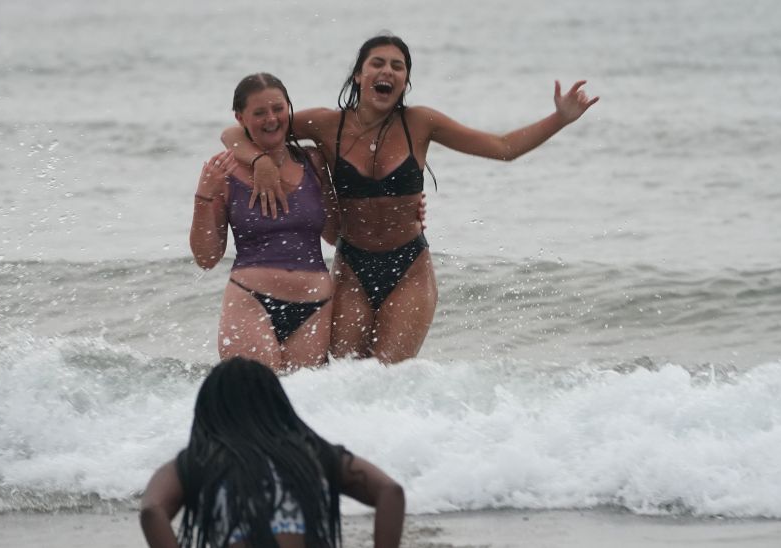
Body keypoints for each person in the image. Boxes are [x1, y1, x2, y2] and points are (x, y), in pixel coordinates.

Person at [223, 34, 598, 364]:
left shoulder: (421, 123)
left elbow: (502, 148)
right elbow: (239, 131)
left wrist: (559, 119)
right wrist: (260, 163)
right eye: (378, 63)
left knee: (387, 383)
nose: (388, 71)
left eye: (398, 66)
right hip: (352, 266)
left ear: (404, 80)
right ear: (359, 74)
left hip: (409, 270)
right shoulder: (326, 123)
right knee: (338, 376)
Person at [139, 357, 405, 548]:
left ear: (210, 411)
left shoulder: (199, 460)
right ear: (278, 405)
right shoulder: (314, 454)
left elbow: (151, 510)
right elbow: (390, 491)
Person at [190, 73, 339, 370]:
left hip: (315, 307)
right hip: (250, 302)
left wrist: (406, 212)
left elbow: (335, 234)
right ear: (240, 118)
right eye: (259, 113)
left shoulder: (313, 161)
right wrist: (204, 197)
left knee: (303, 405)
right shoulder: (224, 170)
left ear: (289, 108)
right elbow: (207, 258)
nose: (271, 119)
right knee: (256, 401)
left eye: (278, 109)